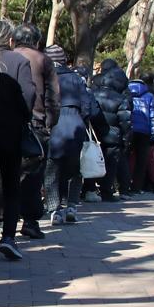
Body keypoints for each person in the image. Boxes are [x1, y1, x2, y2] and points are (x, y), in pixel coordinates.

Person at [0, 20, 35, 254]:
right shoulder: (19, 61)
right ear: (10, 40)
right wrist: (23, 116)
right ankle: (8, 237)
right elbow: (28, 96)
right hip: (11, 132)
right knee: (11, 184)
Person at [13, 23, 59, 238]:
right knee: (33, 176)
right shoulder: (43, 60)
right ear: (37, 41)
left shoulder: (5, 57)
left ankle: (3, 218)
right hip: (36, 122)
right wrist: (50, 122)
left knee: (6, 173)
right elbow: (53, 96)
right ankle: (30, 221)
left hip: (8, 122)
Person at [46, 45, 95, 223]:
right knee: (75, 169)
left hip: (53, 126)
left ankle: (54, 209)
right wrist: (81, 120)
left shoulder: (47, 77)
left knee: (52, 169)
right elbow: (87, 106)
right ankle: (72, 205)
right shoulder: (76, 78)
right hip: (75, 124)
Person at [92, 59, 132, 201]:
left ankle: (89, 189)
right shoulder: (121, 98)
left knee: (92, 161)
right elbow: (125, 121)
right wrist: (126, 138)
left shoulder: (93, 94)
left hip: (95, 134)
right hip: (113, 136)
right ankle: (106, 192)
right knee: (110, 165)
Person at [128, 78, 154, 192]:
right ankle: (137, 186)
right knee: (142, 160)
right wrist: (153, 133)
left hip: (130, 130)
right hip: (144, 131)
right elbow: (153, 116)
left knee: (129, 157)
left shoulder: (126, 94)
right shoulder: (149, 96)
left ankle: (127, 183)